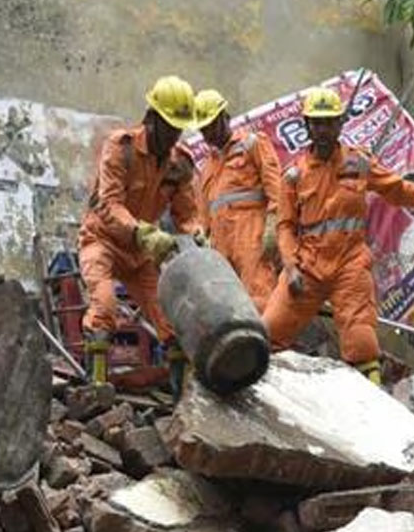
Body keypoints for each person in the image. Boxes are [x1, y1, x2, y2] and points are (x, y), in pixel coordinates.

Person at [262, 87, 414, 385]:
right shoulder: (293, 176)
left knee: (362, 344)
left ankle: (372, 404)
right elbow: (284, 227)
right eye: (316, 123)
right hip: (306, 266)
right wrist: (291, 267)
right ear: (307, 125)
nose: (322, 130)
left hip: (349, 265)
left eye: (329, 122)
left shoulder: (358, 163)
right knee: (268, 334)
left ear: (340, 124)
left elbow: (398, 189)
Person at [77, 75, 202, 393]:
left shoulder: (179, 164)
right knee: (104, 306)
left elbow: (187, 214)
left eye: (179, 127)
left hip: (142, 253)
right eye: (169, 125)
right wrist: (143, 232)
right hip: (102, 240)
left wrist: (197, 235)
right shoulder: (121, 149)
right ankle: (97, 387)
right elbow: (110, 203)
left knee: (171, 321)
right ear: (152, 118)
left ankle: (182, 397)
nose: (174, 134)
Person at [192, 89, 283, 311]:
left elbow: (277, 189)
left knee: (258, 295)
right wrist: (200, 232)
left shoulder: (252, 144)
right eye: (203, 128)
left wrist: (273, 225)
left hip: (251, 236)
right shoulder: (208, 167)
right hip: (221, 245)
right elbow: (205, 210)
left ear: (225, 117)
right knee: (227, 303)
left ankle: (265, 344)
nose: (208, 133)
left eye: (212, 125)